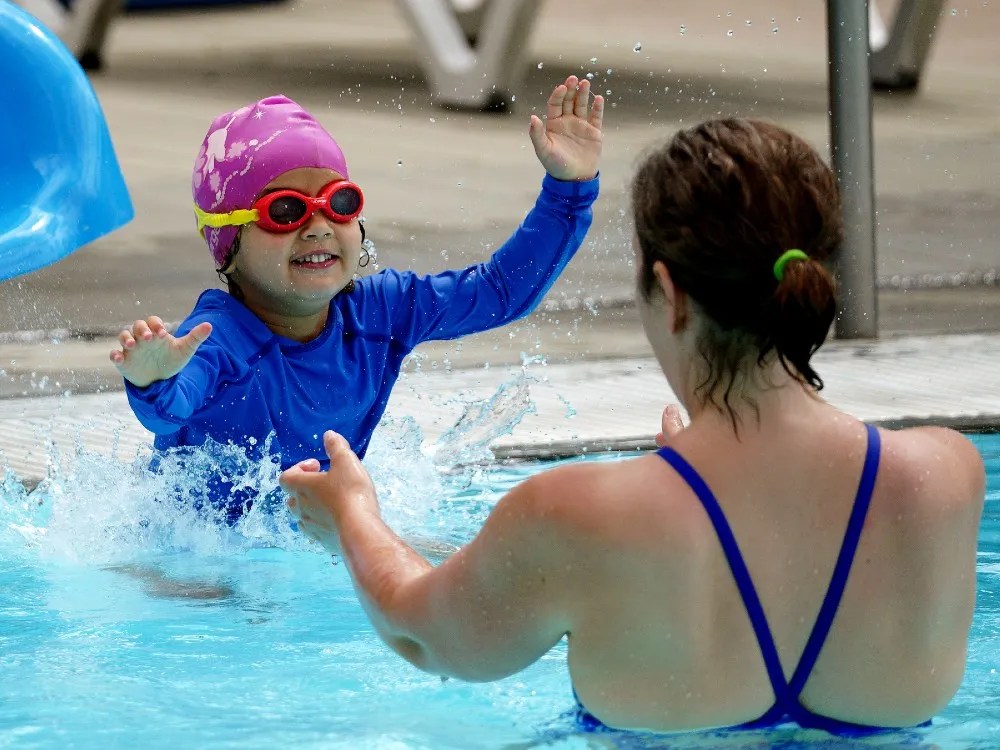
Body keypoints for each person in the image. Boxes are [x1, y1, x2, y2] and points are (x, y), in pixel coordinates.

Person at [279, 119, 986, 734]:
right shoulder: (944, 477)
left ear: (669, 295)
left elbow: (423, 636)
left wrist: (352, 512)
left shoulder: (576, 514)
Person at [111, 77, 603, 522]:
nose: (319, 225)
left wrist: (569, 190)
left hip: (302, 540)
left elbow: (500, 291)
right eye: (286, 211)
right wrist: (155, 381)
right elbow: (171, 408)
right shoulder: (217, 340)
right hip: (195, 560)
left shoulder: (380, 313)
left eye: (339, 202)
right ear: (228, 243)